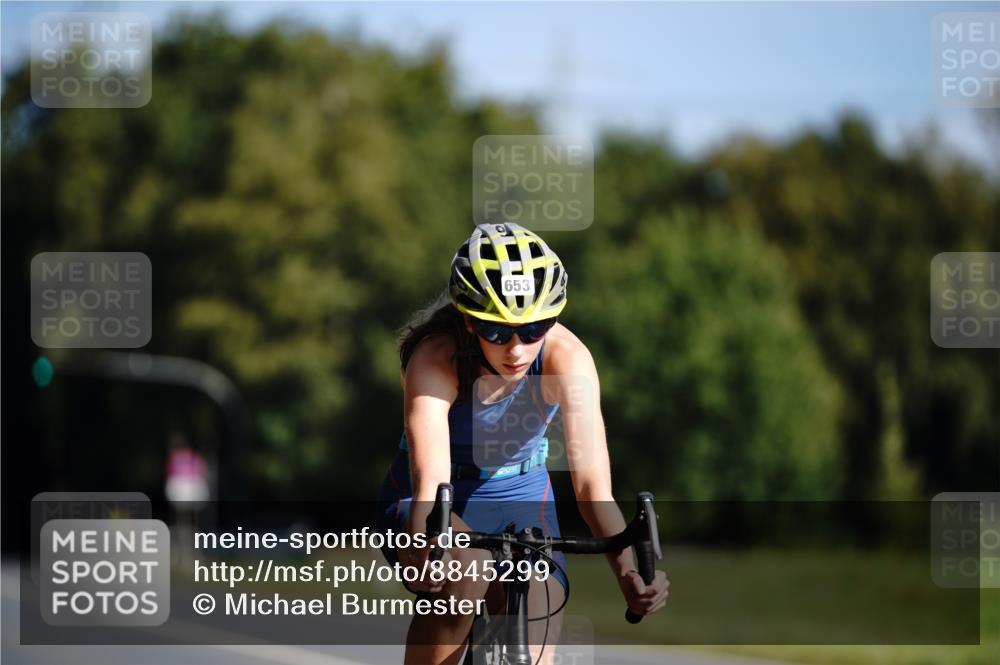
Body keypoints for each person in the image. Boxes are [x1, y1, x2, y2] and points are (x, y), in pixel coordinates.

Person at [375, 222, 669, 665]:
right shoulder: (437, 358)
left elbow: (592, 489)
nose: (516, 348)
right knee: (464, 576)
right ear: (470, 321)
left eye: (533, 330)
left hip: (523, 495)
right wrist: (423, 545)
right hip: (439, 496)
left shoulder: (567, 358)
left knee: (540, 616)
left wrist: (628, 572)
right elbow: (430, 481)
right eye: (498, 332)